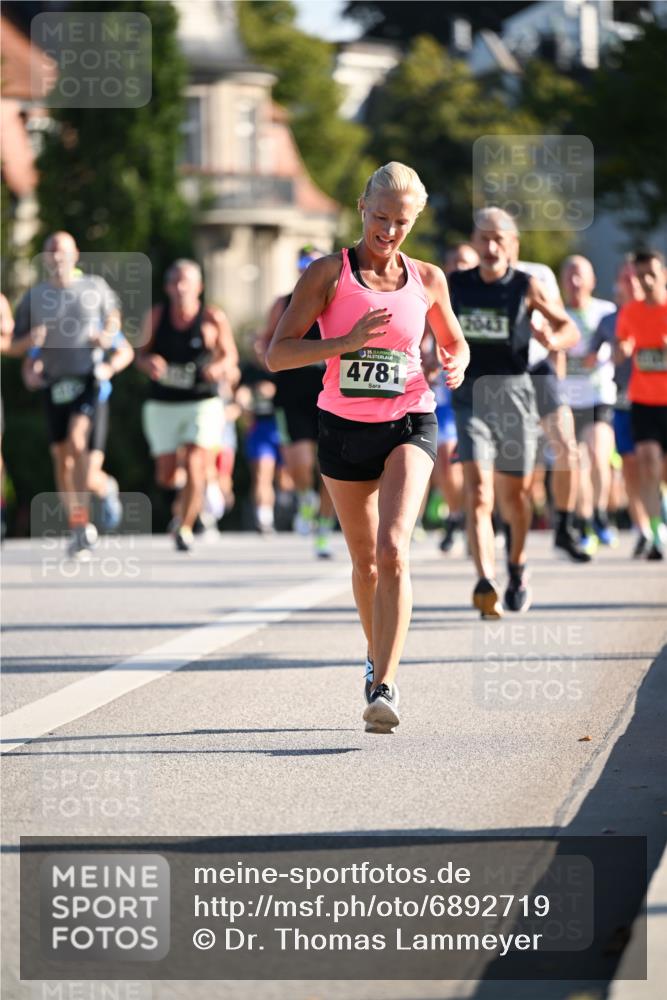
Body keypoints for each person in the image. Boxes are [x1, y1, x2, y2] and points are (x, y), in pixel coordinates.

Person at [266, 162, 469, 733]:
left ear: (414, 221)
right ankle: (375, 657)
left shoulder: (428, 278)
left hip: (409, 418)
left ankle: (385, 685)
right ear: (362, 209)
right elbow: (277, 355)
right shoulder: (328, 274)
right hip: (342, 428)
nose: (388, 230)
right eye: (380, 217)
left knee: (394, 549)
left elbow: (454, 340)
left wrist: (456, 362)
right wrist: (344, 342)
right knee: (365, 564)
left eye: (401, 222)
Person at [448, 207, 580, 617]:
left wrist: (551, 336)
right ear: (473, 241)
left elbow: (569, 329)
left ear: (513, 246)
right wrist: (434, 357)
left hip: (516, 395)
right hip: (470, 394)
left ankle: (517, 568)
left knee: (517, 498)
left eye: (498, 240)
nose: (489, 247)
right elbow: (429, 327)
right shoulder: (454, 284)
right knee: (480, 492)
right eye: (483, 238)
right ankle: (485, 581)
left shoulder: (527, 285)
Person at [11, 231, 129, 557]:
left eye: (63, 250)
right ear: (45, 257)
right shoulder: (35, 297)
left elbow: (114, 321)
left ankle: (90, 512)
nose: (57, 256)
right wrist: (29, 369)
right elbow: (19, 346)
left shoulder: (94, 288)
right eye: (51, 250)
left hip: (88, 381)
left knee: (79, 443)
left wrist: (107, 339)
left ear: (76, 254)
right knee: (64, 462)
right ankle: (80, 524)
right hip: (54, 385)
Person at [136, 259, 239, 552]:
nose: (182, 288)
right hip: (163, 403)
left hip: (202, 402)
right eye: (176, 282)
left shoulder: (211, 318)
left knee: (196, 463)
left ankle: (185, 526)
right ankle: (182, 504)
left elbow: (230, 355)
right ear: (168, 287)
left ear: (199, 287)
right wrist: (148, 362)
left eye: (187, 282)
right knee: (166, 475)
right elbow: (139, 355)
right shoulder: (157, 316)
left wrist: (219, 368)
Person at [257, 246, 337, 558]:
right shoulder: (284, 302)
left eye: (314, 263)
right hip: (291, 393)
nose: (308, 269)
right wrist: (263, 353)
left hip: (328, 392)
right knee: (301, 464)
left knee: (330, 466)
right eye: (303, 264)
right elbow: (266, 342)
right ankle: (306, 500)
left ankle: (324, 527)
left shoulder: (335, 299)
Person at [512, 253, 590, 562]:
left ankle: (564, 526)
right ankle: (500, 533)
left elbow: (562, 325)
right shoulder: (474, 277)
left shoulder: (538, 271)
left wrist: (553, 344)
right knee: (517, 465)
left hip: (538, 369)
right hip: (499, 374)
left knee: (567, 448)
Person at [560, 255, 617, 554]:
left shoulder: (606, 312)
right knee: (576, 461)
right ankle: (583, 521)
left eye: (580, 275)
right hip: (567, 400)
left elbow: (620, 346)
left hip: (598, 396)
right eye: (569, 275)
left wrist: (601, 356)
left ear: (593, 280)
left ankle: (600, 513)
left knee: (598, 454)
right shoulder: (555, 313)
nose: (575, 281)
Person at [616, 250, 667, 560]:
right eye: (640, 275)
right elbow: (622, 349)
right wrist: (622, 348)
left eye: (652, 274)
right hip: (643, 399)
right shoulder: (630, 312)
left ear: (663, 275)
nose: (646, 281)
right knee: (647, 461)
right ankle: (656, 531)